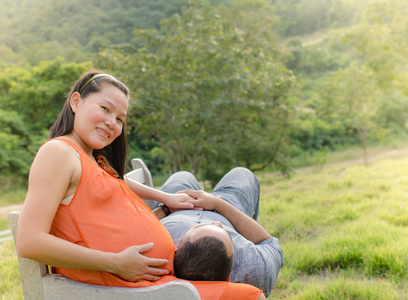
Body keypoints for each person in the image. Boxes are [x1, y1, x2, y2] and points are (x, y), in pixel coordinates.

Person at [16, 71, 266, 300]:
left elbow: (112, 182)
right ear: (76, 102)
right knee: (252, 296)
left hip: (151, 281)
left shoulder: (91, 158)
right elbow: (29, 241)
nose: (112, 123)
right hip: (123, 288)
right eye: (104, 108)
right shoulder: (58, 152)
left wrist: (165, 198)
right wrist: (115, 263)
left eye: (120, 119)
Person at [155, 168, 285, 297]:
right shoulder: (251, 266)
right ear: (229, 278)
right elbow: (269, 242)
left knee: (182, 175)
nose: (217, 223)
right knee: (242, 174)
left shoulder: (153, 256)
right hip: (226, 210)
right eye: (223, 231)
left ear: (177, 247)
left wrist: (165, 209)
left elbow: (139, 222)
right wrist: (217, 204)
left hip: (174, 205)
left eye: (196, 228)